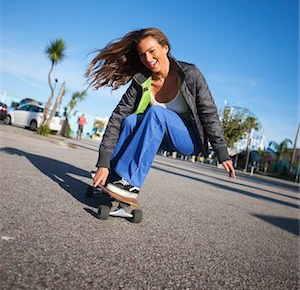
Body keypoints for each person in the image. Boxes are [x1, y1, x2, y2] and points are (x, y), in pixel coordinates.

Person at [86, 28, 235, 200]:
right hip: (157, 135)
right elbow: (118, 117)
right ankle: (110, 177)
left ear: (165, 48)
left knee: (157, 113)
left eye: (152, 51)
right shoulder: (142, 80)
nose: (148, 59)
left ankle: (130, 183)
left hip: (189, 139)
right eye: (143, 55)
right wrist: (103, 163)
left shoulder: (190, 74)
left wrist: (221, 151)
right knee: (130, 121)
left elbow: (209, 113)